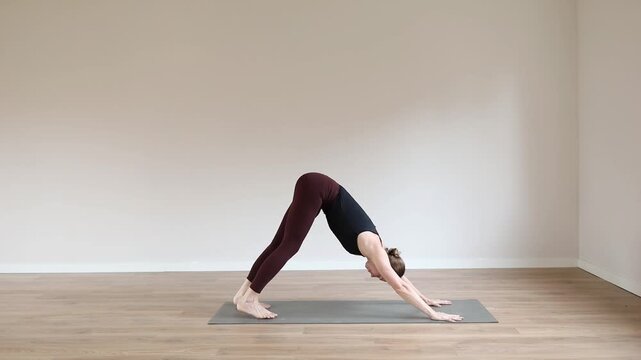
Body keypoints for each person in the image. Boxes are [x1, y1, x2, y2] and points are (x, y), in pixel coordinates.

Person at [232, 172, 463, 322]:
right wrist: (433, 315)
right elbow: (399, 287)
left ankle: (242, 294)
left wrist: (427, 298)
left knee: (278, 244)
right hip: (317, 187)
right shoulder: (373, 247)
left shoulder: (379, 250)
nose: (375, 276)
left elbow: (401, 280)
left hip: (315, 185)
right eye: (380, 275)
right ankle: (250, 300)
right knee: (289, 246)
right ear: (382, 265)